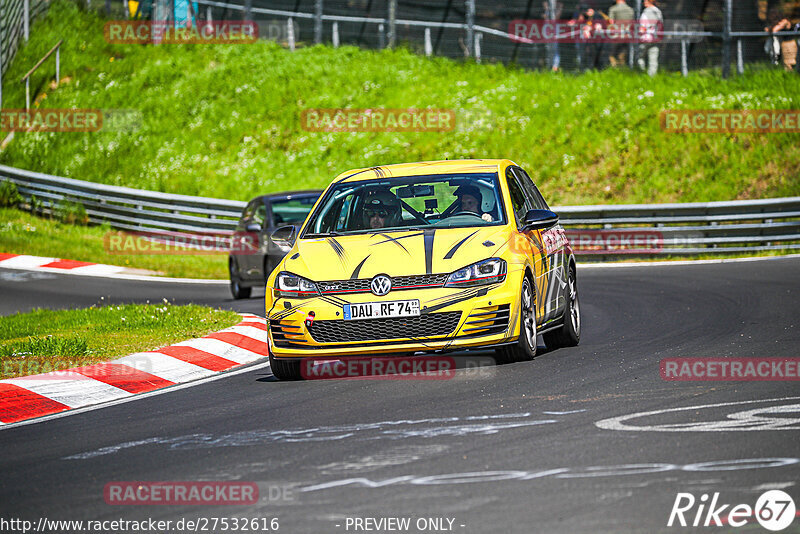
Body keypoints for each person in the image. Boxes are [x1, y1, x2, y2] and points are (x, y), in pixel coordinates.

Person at [638, 0, 663, 76]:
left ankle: (641, 72)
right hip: (655, 38)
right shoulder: (658, 12)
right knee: (653, 58)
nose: (644, 2)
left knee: (639, 57)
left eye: (646, 1)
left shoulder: (646, 12)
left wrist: (639, 33)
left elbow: (643, 27)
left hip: (645, 38)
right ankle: (651, 76)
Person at [608, 0, 634, 67]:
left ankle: (614, 68)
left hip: (617, 35)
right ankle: (622, 69)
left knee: (611, 54)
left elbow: (611, 22)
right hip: (627, 35)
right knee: (622, 54)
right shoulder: (630, 9)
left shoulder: (613, 9)